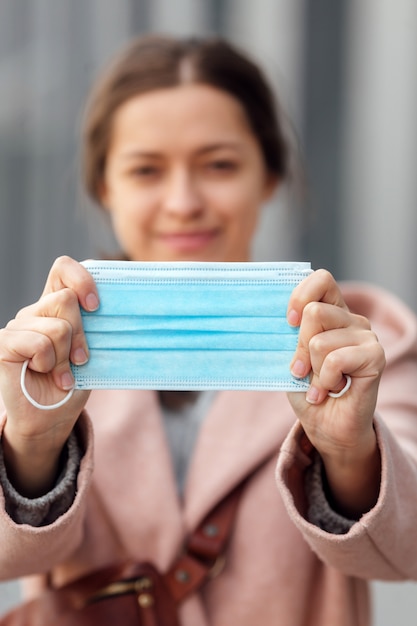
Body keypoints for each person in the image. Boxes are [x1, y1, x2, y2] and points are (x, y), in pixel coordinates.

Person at [0, 34, 416, 626]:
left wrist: (351, 452)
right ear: (104, 188)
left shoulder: (363, 346)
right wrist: (32, 445)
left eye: (219, 164)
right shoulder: (40, 354)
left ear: (269, 175)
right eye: (146, 169)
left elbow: (407, 550)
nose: (183, 201)